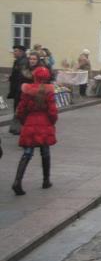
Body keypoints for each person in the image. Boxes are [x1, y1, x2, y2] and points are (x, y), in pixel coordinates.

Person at [12, 66, 58, 195]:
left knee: (27, 153)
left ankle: (17, 181)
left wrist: (24, 121)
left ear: (35, 76)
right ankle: (46, 180)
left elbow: (21, 109)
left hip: (30, 122)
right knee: (45, 151)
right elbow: (53, 111)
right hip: (44, 123)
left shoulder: (27, 90)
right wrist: (52, 122)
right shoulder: (49, 91)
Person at [8, 45, 30, 135]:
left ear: (21, 52)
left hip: (20, 90)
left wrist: (19, 89)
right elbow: (17, 75)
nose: (14, 52)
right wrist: (10, 78)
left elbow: (23, 77)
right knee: (18, 108)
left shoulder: (23, 62)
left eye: (15, 51)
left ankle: (19, 129)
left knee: (19, 109)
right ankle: (17, 128)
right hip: (18, 89)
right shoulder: (19, 61)